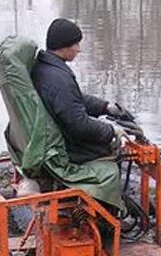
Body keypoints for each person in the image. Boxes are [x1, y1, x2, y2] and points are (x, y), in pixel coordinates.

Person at [31, 17, 128, 163]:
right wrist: (111, 131)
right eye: (76, 43)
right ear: (63, 46)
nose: (79, 49)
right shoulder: (59, 78)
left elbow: (74, 99)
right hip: (67, 148)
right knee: (110, 149)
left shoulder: (46, 67)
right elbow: (79, 125)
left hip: (53, 135)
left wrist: (105, 107)